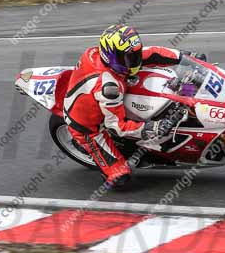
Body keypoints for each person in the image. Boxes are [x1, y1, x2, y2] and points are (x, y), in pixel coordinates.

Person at [63, 24, 204, 189]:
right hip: (86, 125)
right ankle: (105, 165)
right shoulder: (109, 87)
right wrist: (154, 128)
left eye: (134, 55)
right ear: (111, 57)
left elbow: (151, 53)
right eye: (128, 58)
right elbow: (117, 126)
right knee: (120, 178)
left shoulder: (105, 55)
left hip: (96, 94)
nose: (135, 60)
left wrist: (186, 58)